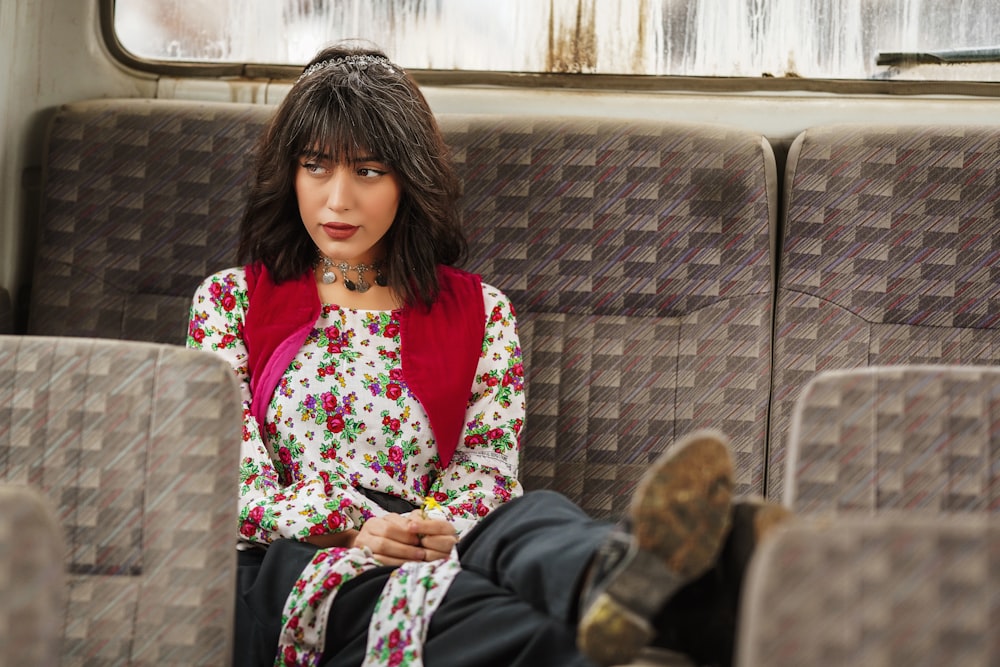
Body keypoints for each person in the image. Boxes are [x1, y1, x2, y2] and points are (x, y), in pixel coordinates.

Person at [187, 42, 789, 667]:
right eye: (316, 167)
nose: (337, 200)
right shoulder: (231, 301)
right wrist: (357, 526)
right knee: (496, 620)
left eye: (367, 171)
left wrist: (436, 528)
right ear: (289, 173)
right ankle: (690, 615)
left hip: (436, 534)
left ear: (407, 181)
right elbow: (231, 483)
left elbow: (487, 468)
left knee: (532, 517)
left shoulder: (481, 310)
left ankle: (645, 574)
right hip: (300, 553)